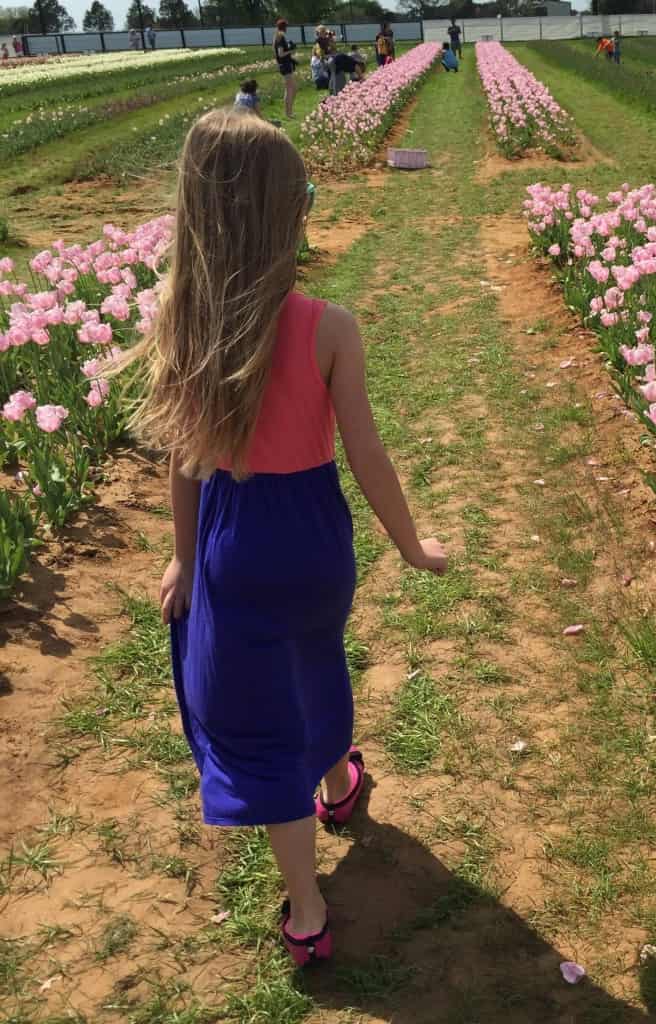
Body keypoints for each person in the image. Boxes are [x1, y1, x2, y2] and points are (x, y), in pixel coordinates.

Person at [123, 109, 447, 967]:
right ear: (286, 218)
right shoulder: (328, 326)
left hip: (236, 542)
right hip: (316, 539)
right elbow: (368, 455)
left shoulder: (182, 325)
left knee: (257, 718)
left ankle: (307, 909)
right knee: (314, 656)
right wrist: (411, 545)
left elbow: (184, 463)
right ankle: (340, 782)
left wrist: (184, 558)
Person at [273, 19, 298, 119]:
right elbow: (280, 54)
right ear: (284, 27)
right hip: (285, 65)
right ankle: (288, 113)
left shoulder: (279, 36)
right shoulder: (280, 37)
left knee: (293, 88)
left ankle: (289, 111)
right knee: (290, 89)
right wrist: (291, 50)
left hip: (285, 65)